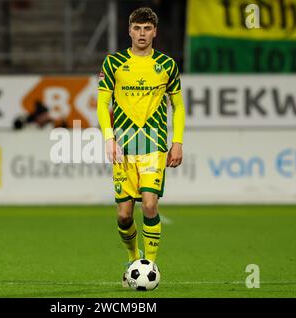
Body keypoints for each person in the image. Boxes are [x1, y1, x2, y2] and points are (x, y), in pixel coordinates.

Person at [96, 7, 185, 287]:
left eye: (147, 29)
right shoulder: (114, 63)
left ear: (155, 31)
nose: (142, 34)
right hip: (123, 146)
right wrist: (109, 137)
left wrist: (178, 141)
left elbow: (178, 105)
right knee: (124, 215)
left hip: (154, 145)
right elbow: (102, 103)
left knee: (149, 204)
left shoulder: (167, 65)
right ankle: (135, 259)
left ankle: (151, 264)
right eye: (137, 28)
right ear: (129, 30)